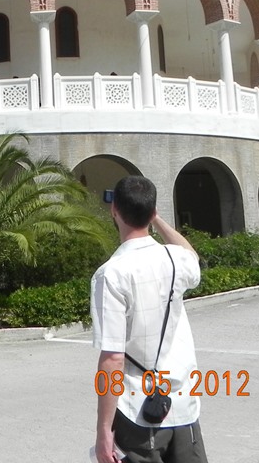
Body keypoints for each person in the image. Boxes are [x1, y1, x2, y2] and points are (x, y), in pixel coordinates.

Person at [90, 176, 207, 463]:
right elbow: (191, 255)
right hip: (183, 407)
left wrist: (104, 429)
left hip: (138, 412)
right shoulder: (175, 259)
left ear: (114, 209)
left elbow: (113, 359)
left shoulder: (111, 274)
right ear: (152, 211)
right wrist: (158, 220)